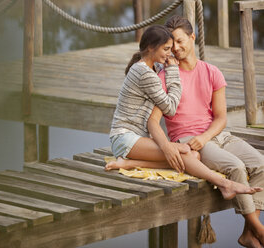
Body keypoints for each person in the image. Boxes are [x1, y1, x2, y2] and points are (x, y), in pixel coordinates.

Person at [106, 24, 261, 201]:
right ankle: (224, 183)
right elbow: (170, 108)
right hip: (125, 137)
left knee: (193, 155)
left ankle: (128, 163)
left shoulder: (151, 70)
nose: (169, 54)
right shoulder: (144, 74)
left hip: (135, 138)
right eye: (166, 49)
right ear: (151, 47)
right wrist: (172, 70)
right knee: (186, 153)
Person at [156, 15, 264, 248]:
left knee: (261, 164)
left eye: (180, 40)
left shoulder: (212, 72)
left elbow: (221, 118)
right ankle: (259, 230)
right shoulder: (164, 77)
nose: (175, 47)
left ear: (193, 38)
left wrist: (206, 136)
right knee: (235, 167)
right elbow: (153, 118)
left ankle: (249, 231)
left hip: (215, 135)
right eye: (171, 43)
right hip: (188, 140)